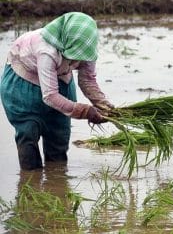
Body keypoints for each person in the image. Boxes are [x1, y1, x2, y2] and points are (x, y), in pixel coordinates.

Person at [0, 12, 113, 170]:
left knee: (59, 135)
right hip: (23, 86)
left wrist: (104, 106)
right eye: (73, 55)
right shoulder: (47, 50)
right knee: (28, 132)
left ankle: (56, 181)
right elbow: (50, 96)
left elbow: (87, 80)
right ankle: (30, 179)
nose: (76, 60)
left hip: (61, 81)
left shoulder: (88, 48)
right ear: (66, 42)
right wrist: (85, 111)